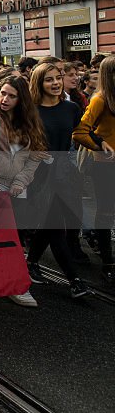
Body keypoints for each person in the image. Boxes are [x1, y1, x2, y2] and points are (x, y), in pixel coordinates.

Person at [25, 62, 89, 298]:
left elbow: (80, 134)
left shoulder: (71, 109)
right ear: (39, 83)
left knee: (53, 225)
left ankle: (31, 261)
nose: (55, 83)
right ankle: (75, 280)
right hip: (38, 175)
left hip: (64, 174)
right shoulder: (29, 110)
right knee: (56, 227)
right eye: (49, 79)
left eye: (58, 78)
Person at [0, 75, 48, 307]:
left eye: (11, 96)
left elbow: (35, 157)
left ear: (21, 100)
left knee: (13, 239)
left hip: (17, 190)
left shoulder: (29, 124)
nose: (4, 99)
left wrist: (21, 182)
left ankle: (14, 284)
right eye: (2, 93)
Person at [73, 55, 115, 283]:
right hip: (105, 165)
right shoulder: (101, 99)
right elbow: (80, 131)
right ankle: (108, 262)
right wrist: (100, 144)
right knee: (106, 213)